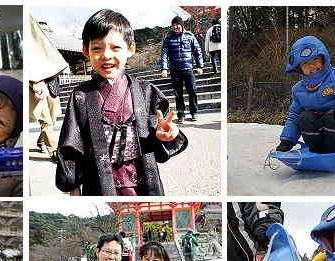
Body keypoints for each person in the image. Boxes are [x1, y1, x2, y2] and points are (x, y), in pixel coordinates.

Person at [55, 9, 188, 196]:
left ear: (130, 49)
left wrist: (165, 135)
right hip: (98, 187)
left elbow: (159, 136)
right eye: (97, 48)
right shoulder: (81, 96)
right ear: (86, 51)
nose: (106, 55)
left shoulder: (145, 91)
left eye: (115, 48)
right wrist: (74, 190)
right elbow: (71, 147)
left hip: (142, 185)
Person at [275, 36, 335, 154]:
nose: (311, 65)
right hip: (321, 131)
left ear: (324, 59)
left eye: (315, 59)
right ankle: (318, 151)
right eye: (305, 63)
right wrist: (287, 141)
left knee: (333, 116)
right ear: (299, 68)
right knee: (304, 117)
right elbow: (294, 115)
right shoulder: (298, 90)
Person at [29, 11, 69, 160]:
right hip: (37, 89)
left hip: (52, 89)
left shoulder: (52, 49)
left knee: (51, 121)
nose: (45, 33)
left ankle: (41, 141)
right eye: (42, 31)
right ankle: (54, 151)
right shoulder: (32, 50)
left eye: (47, 31)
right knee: (46, 122)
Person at [160, 16, 204, 123]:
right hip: (175, 70)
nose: (175, 27)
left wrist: (199, 66)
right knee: (178, 93)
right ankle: (181, 114)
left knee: (192, 91)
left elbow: (197, 51)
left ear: (181, 25)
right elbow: (164, 53)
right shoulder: (168, 38)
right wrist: (164, 68)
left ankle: (194, 112)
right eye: (173, 25)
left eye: (177, 25)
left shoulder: (190, 36)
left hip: (188, 68)